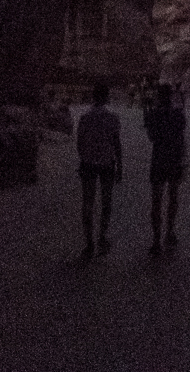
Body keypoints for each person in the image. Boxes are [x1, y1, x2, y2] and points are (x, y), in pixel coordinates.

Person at [76, 81, 122, 259]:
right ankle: (102, 236)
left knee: (87, 202)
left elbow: (80, 142)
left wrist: (84, 158)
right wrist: (120, 165)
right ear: (107, 96)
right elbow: (116, 143)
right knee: (106, 201)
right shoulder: (113, 117)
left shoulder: (85, 117)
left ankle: (89, 243)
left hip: (88, 163)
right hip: (106, 163)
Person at [144, 83, 186, 254]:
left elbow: (151, 137)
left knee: (156, 199)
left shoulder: (153, 114)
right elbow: (181, 138)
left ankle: (156, 240)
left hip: (159, 157)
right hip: (174, 158)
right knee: (173, 196)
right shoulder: (178, 114)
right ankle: (169, 232)